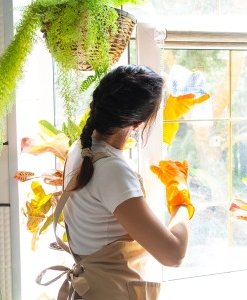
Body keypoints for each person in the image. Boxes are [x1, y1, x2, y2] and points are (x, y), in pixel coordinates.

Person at [43, 65, 195, 300]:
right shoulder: (111, 169)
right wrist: (180, 197)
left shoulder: (81, 150)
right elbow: (173, 255)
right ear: (138, 123)